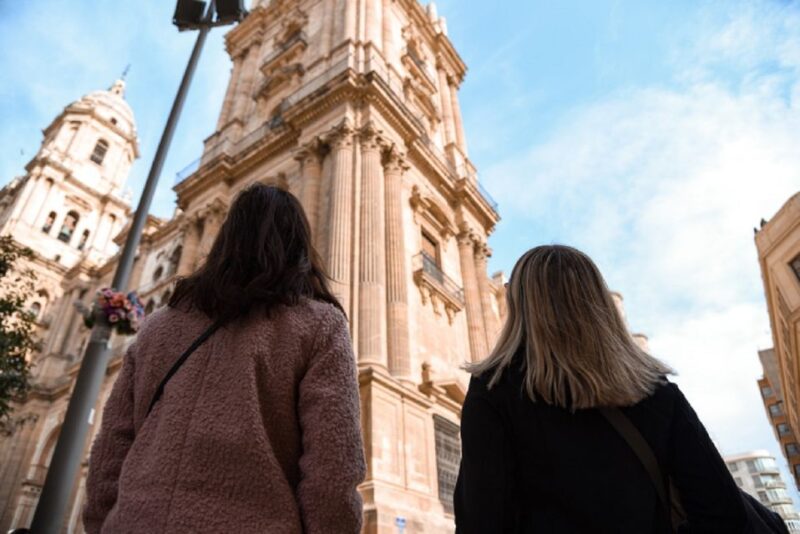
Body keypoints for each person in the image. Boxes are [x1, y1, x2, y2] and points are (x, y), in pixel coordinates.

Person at [83, 184, 366, 533]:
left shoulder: (157, 328)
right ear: (298, 246)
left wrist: (106, 524)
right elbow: (333, 470)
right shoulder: (319, 325)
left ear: (223, 242)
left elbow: (110, 451)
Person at [454, 245, 747, 533]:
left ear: (518, 303)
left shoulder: (493, 389)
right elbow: (723, 511)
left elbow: (481, 521)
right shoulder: (654, 391)